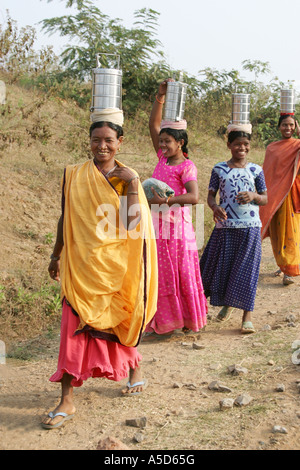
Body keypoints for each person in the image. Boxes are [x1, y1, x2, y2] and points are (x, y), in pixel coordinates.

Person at [42, 108, 158, 429]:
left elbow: (132, 226)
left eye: (109, 140)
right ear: (89, 142)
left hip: (115, 267)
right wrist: (56, 255)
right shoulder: (74, 174)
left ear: (120, 142)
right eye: (96, 140)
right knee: (72, 328)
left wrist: (133, 185)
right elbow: (65, 217)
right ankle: (66, 398)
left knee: (120, 321)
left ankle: (134, 368)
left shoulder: (127, 177)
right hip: (79, 265)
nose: (102, 146)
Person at [143, 79, 207, 339]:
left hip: (178, 229)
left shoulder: (186, 167)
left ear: (180, 143)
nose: (162, 146)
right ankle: (162, 322)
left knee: (180, 272)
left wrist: (166, 201)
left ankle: (186, 320)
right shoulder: (162, 158)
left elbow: (194, 197)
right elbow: (153, 125)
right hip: (157, 227)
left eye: (167, 142)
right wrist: (160, 97)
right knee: (159, 273)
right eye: (161, 142)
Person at [200, 124, 268, 334]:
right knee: (217, 267)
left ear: (250, 146)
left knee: (247, 271)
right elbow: (211, 196)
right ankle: (222, 305)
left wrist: (254, 196)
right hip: (225, 226)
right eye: (237, 144)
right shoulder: (219, 169)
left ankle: (247, 316)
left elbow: (265, 198)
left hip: (250, 227)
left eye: (246, 144)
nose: (242, 147)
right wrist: (214, 207)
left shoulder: (256, 170)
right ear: (229, 145)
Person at [260, 114, 300, 285]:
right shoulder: (272, 148)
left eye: (291, 125)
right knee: (277, 233)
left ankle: (289, 272)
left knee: (291, 233)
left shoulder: (297, 145)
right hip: (275, 195)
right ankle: (282, 264)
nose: (288, 128)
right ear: (279, 127)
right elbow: (267, 172)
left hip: (291, 194)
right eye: (284, 125)